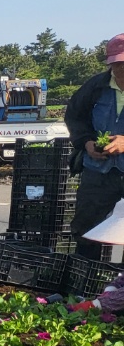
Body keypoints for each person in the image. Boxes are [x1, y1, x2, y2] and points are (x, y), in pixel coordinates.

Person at [69, 33, 124, 260]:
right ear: (110, 63)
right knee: (87, 230)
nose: (121, 70)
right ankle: (83, 285)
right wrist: (87, 142)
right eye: (118, 65)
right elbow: (75, 117)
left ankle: (119, 292)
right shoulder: (95, 86)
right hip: (98, 171)